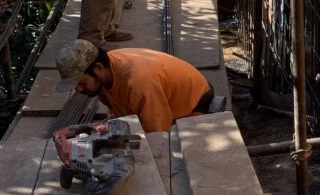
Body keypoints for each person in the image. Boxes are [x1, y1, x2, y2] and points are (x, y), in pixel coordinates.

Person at [56, 39, 225, 134]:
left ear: (98, 68)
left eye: (81, 83)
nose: (78, 90)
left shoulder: (140, 85)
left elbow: (158, 136)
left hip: (195, 102)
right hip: (162, 98)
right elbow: (114, 103)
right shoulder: (107, 68)